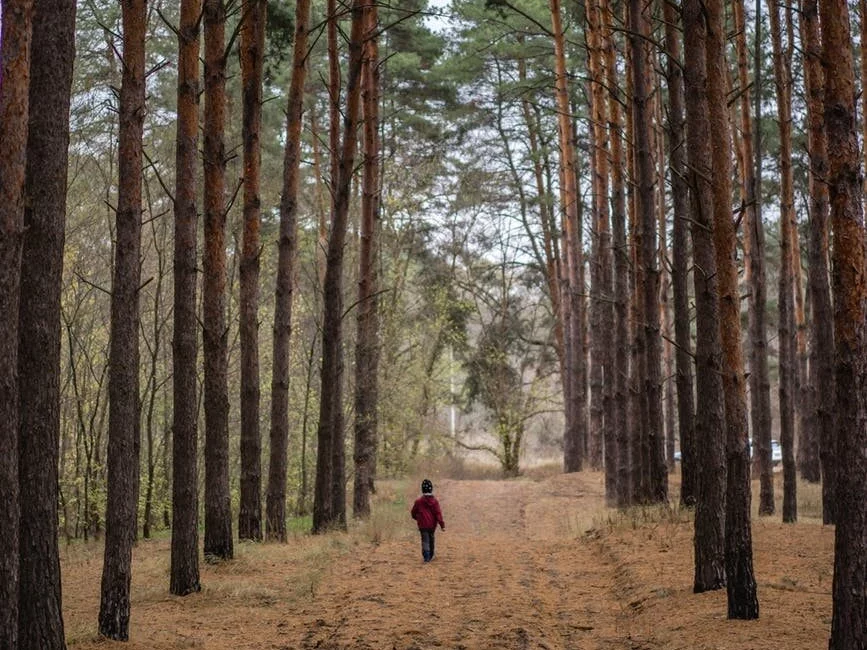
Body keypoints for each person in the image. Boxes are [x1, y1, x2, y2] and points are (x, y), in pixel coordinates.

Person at [410, 479, 445, 562]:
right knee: (431, 539)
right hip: (432, 525)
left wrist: (417, 518)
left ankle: (426, 556)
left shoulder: (418, 501)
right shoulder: (435, 502)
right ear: (431, 489)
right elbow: (438, 513)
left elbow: (413, 512)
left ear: (422, 489)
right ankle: (431, 554)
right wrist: (442, 525)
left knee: (425, 540)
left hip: (423, 525)